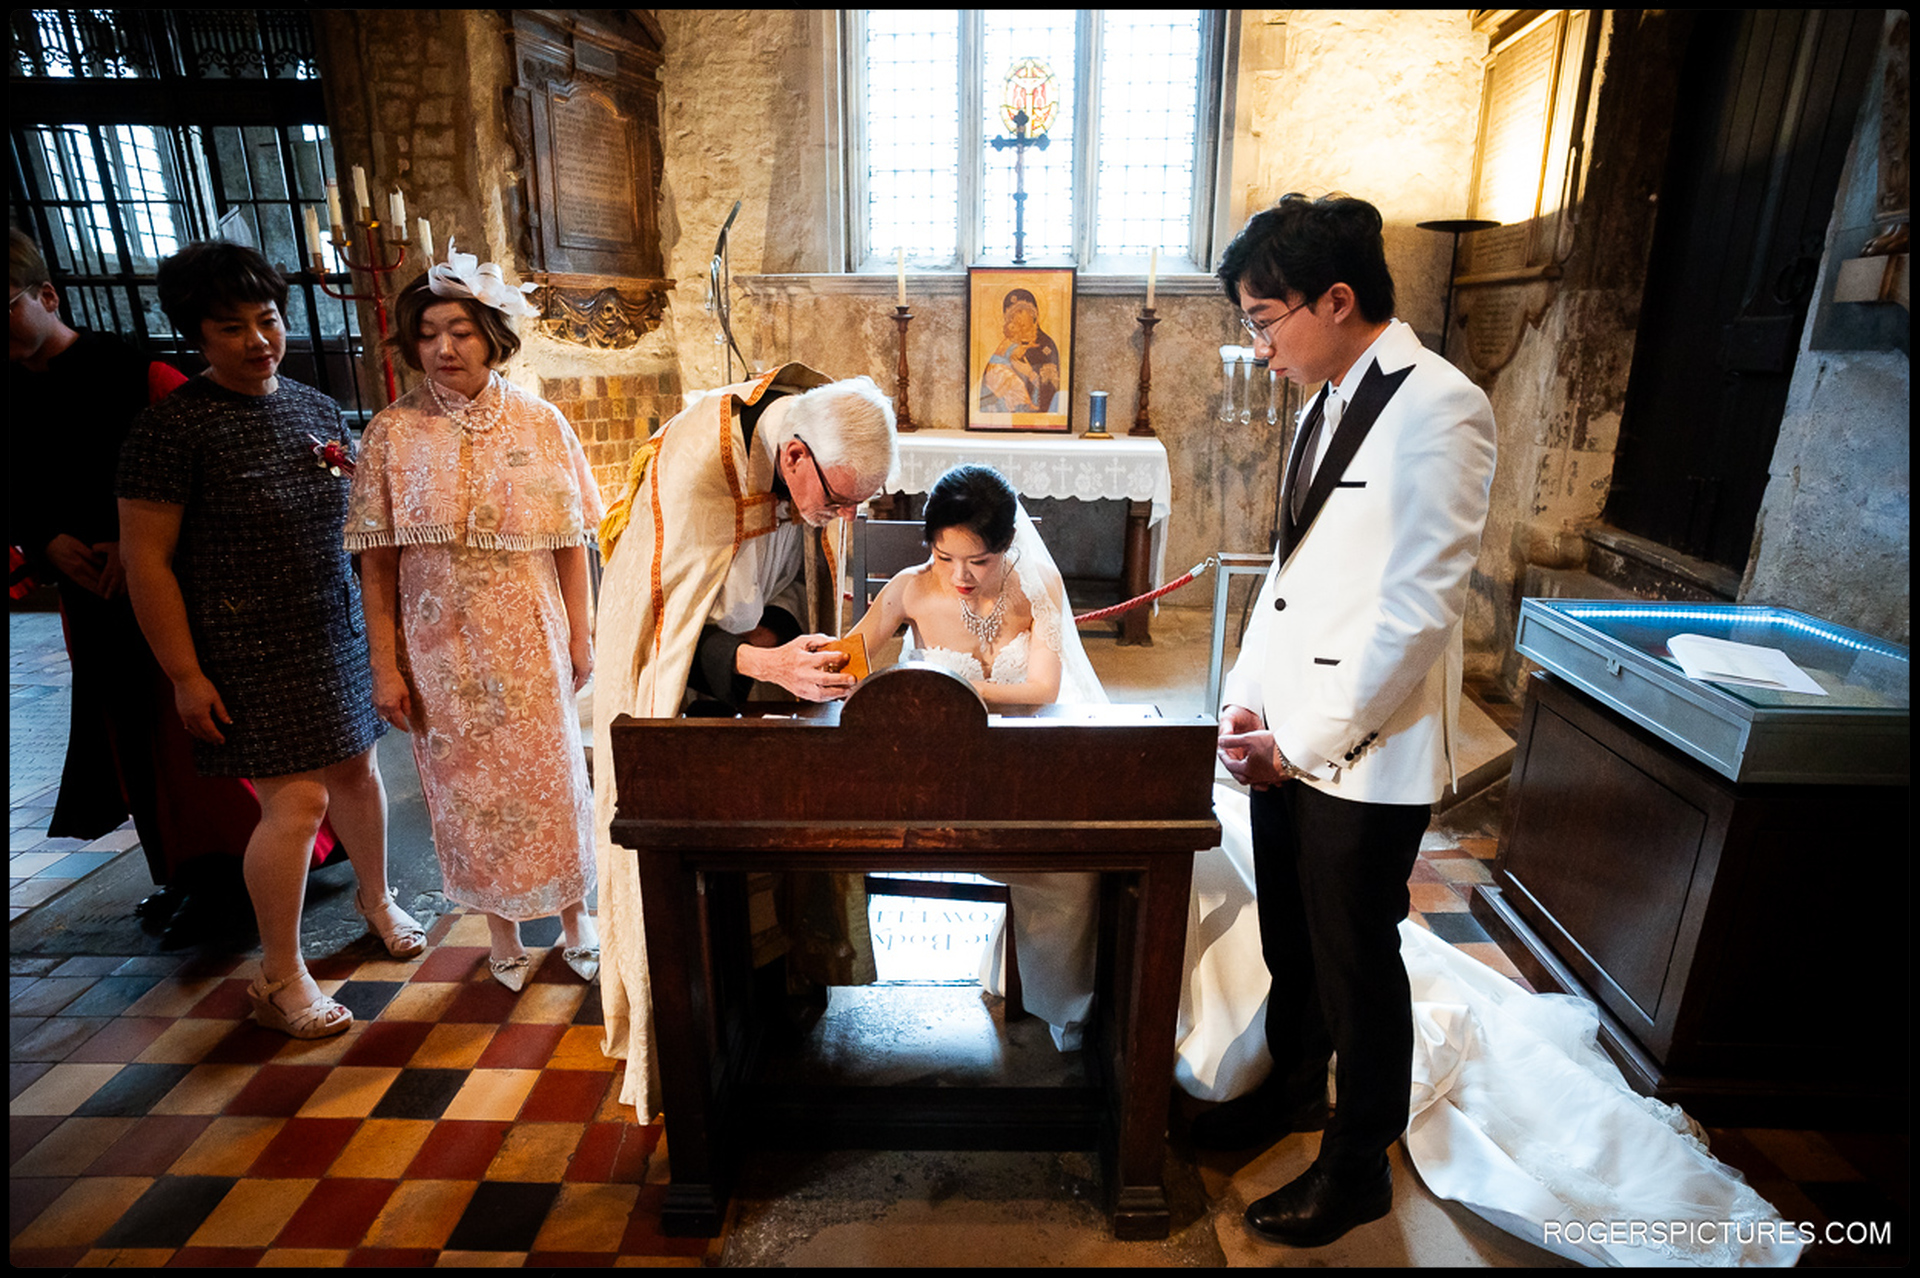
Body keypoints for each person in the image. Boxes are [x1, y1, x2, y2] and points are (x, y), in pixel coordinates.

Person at [1201, 192, 1499, 1248]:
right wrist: (1245, 699)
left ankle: (1356, 1163)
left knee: (1355, 963)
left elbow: (1416, 610)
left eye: (1265, 317)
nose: (1258, 342)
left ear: (1337, 299)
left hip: (1362, 760)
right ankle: (1291, 1096)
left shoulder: (1442, 407)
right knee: (1294, 946)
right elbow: (1292, 574)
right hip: (1285, 738)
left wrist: (1306, 741)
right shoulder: (1326, 400)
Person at [118, 240, 424, 1040]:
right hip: (245, 645)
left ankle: (377, 898)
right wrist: (185, 673)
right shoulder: (172, 429)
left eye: (268, 319)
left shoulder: (315, 407)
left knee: (358, 773)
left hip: (333, 628)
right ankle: (280, 975)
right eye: (231, 328)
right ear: (196, 336)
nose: (259, 340)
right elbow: (146, 563)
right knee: (297, 801)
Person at [592, 363, 899, 1116]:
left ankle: (782, 982)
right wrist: (761, 663)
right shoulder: (698, 467)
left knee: (790, 833)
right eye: (836, 500)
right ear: (794, 457)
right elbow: (656, 636)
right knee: (706, 875)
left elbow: (797, 583)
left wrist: (786, 643)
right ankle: (702, 1018)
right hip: (687, 696)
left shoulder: (818, 435)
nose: (837, 517)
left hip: (766, 666)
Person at [347, 244, 602, 991]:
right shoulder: (391, 433)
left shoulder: (541, 422)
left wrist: (582, 633)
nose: (444, 347)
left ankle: (575, 916)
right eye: (428, 333)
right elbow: (378, 562)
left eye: (459, 330)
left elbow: (568, 542)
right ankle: (501, 929)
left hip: (528, 633)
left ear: (493, 334)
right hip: (438, 646)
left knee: (551, 775)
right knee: (467, 789)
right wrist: (385, 664)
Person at [8, 228, 257, 946]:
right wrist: (41, 535)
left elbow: (209, 472)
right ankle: (182, 870)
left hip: (169, 587)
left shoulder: (133, 374)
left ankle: (240, 869)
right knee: (129, 735)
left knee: (195, 731)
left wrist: (137, 541)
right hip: (86, 592)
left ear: (47, 296)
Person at [844, 464, 1101, 1048]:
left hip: (1024, 759)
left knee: (1076, 865)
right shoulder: (911, 588)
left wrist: (944, 689)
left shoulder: (1037, 587)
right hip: (941, 775)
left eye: (978, 562)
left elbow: (1043, 690)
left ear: (1006, 546)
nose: (960, 575)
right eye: (943, 557)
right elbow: (851, 656)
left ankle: (1067, 1004)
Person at [977, 288, 1062, 415]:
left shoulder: (1046, 347)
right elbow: (988, 384)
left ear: (1034, 314)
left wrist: (1031, 375)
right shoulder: (1008, 343)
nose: (1017, 318)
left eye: (1021, 311)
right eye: (1011, 315)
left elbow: (1051, 388)